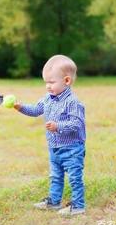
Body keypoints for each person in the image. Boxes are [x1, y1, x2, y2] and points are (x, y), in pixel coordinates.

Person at [14, 55, 86, 216]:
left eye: (52, 82)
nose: (48, 86)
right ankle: (54, 202)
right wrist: (20, 108)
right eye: (46, 82)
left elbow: (77, 124)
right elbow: (35, 110)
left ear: (67, 81)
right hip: (54, 147)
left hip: (72, 148)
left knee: (74, 177)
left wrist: (57, 126)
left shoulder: (73, 102)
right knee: (55, 176)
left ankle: (78, 206)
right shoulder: (48, 99)